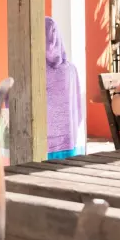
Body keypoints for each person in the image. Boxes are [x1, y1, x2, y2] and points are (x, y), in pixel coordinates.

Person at [45, 17, 85, 159]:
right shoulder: (70, 69)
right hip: (68, 141)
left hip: (42, 145)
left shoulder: (34, 70)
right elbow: (77, 108)